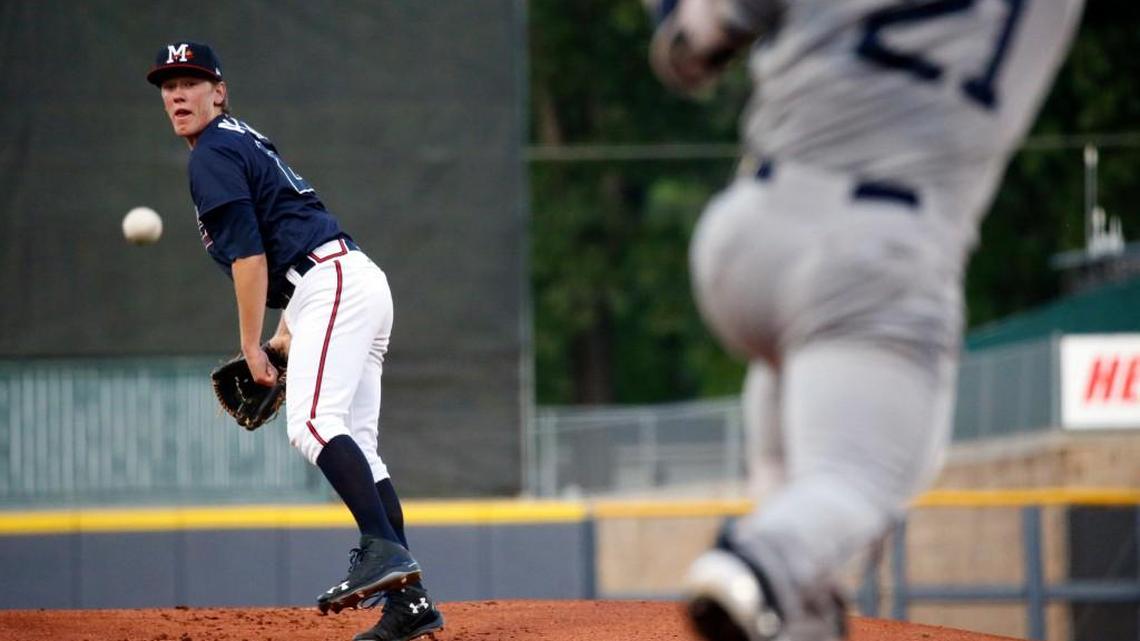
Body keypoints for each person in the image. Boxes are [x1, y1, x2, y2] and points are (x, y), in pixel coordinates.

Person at [644, 1, 1084, 640]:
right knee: (863, 479)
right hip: (880, 253)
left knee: (803, 457)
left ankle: (799, 609)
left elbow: (691, 42)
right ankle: (761, 561)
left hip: (746, 235)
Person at [147, 41, 444, 641]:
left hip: (331, 283)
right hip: (343, 278)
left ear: (218, 91)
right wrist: (286, 334)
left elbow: (252, 257)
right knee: (358, 442)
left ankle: (384, 554)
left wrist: (253, 344)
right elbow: (292, 231)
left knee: (310, 425)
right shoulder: (241, 138)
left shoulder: (212, 153)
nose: (178, 93)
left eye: (192, 80)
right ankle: (410, 603)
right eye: (168, 83)